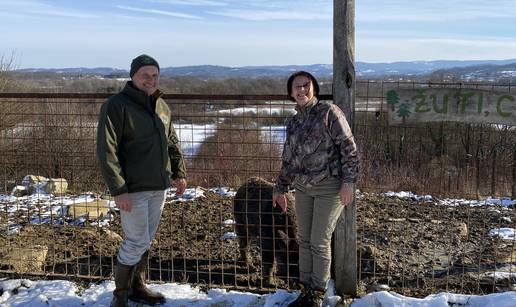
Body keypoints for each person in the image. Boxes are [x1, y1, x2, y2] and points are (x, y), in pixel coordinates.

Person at [96, 54, 187, 307]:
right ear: (133, 76)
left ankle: (137, 287)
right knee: (135, 241)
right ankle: (120, 297)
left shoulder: (161, 106)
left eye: (155, 75)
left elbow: (172, 143)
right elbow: (107, 150)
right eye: (145, 74)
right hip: (133, 188)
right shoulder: (117, 105)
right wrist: (118, 189)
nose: (151, 79)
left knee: (145, 239)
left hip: (159, 185)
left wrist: (179, 173)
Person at [273, 71, 359, 307]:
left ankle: (317, 293)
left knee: (319, 240)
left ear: (314, 88)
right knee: (304, 240)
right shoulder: (294, 122)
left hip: (329, 187)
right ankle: (305, 288)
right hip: (302, 187)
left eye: (305, 85)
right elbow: (289, 159)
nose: (301, 90)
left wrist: (348, 182)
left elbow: (349, 149)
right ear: (291, 93)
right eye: (296, 87)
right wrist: (279, 188)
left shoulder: (329, 113)